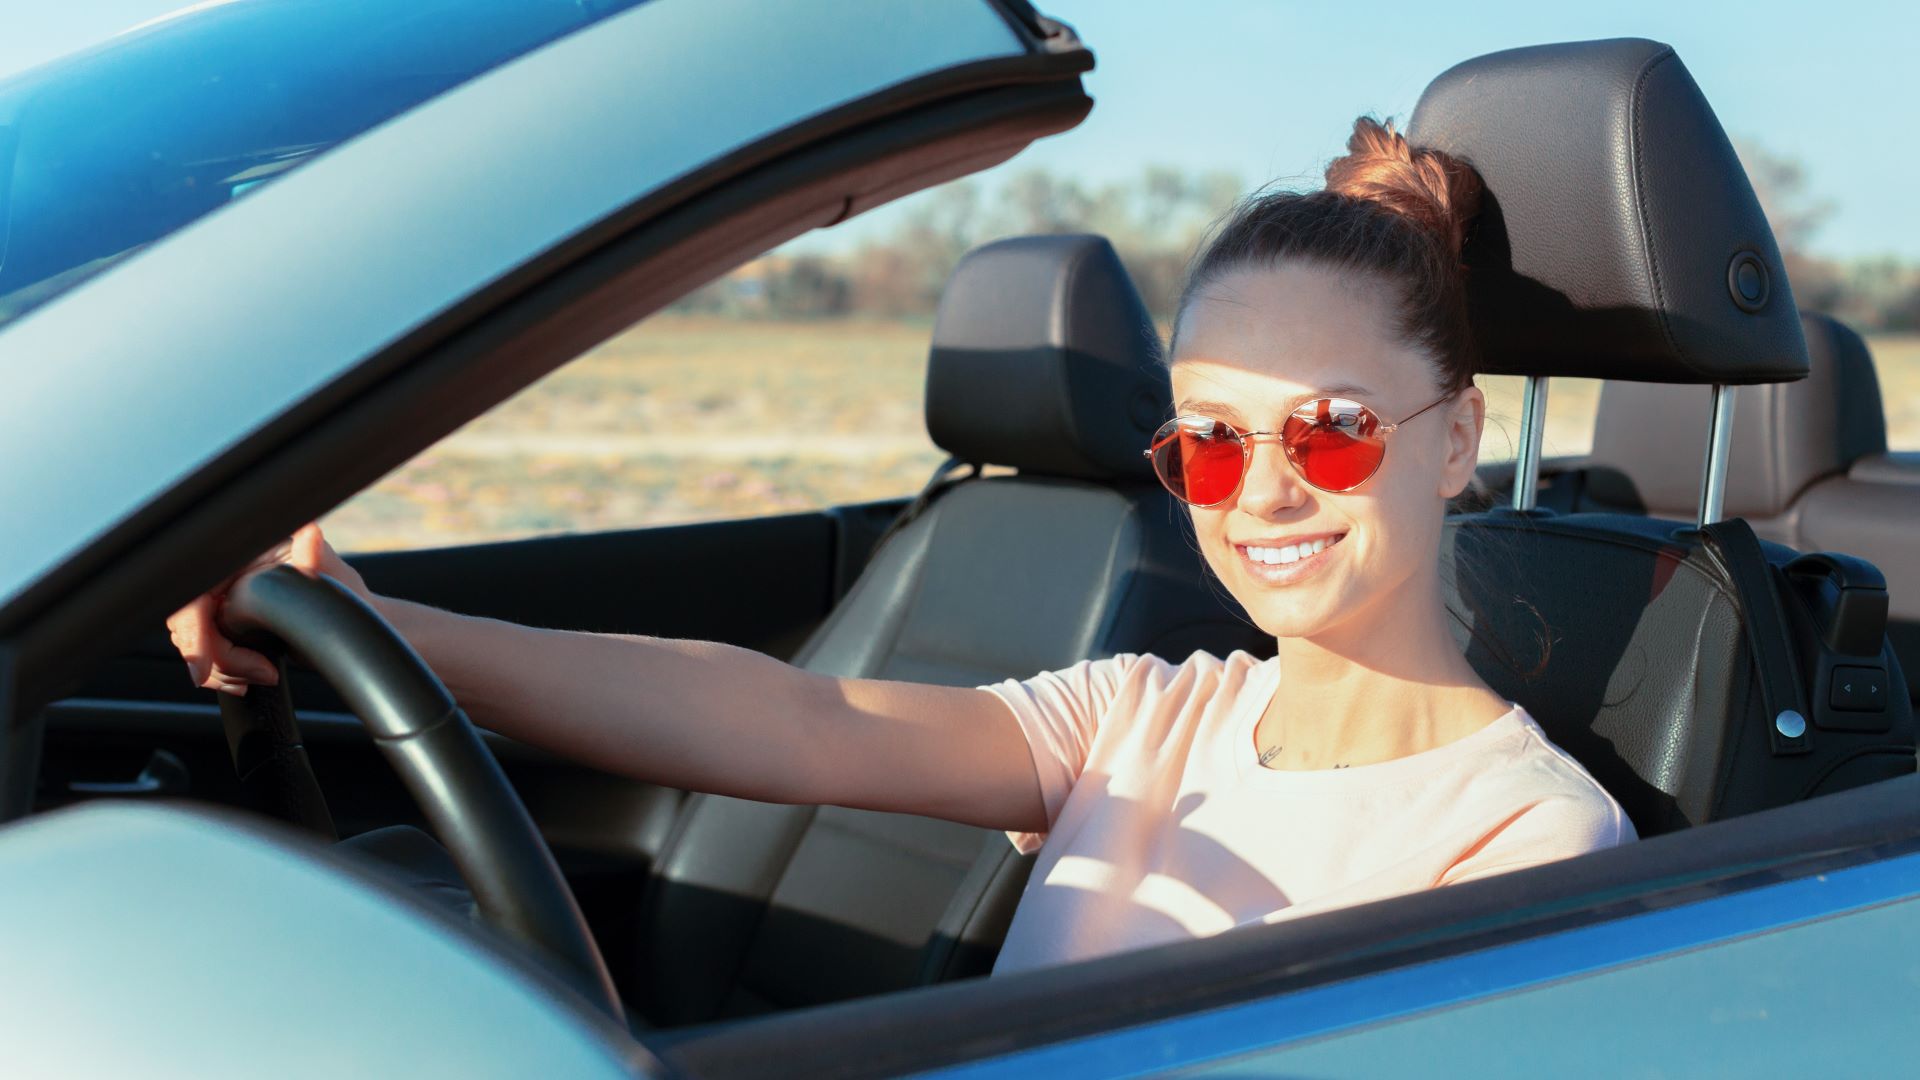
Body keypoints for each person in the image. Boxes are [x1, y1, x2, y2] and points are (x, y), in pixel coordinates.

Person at [167, 116, 1634, 978]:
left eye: (1329, 430)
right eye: (1206, 442)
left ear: (1454, 438)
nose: (1261, 495)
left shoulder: (1527, 842)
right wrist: (376, 623)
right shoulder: (1150, 715)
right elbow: (791, 718)